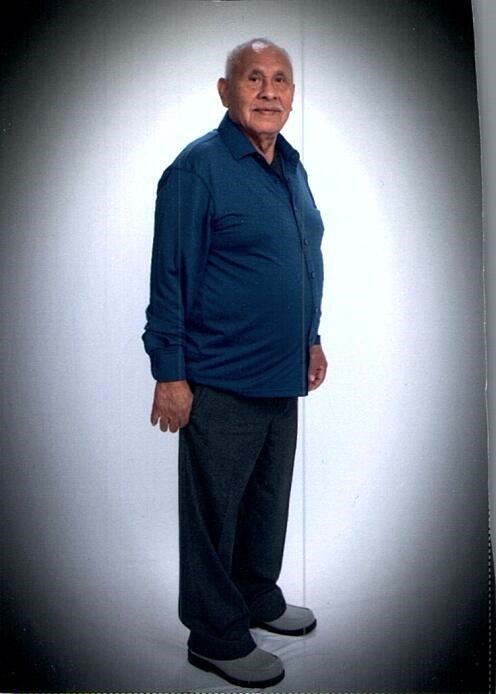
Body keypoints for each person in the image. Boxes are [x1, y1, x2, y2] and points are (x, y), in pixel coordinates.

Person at [142, 37, 327, 688]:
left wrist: (310, 337)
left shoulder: (291, 166)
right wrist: (170, 372)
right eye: (254, 78)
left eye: (280, 79)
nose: (269, 91)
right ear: (226, 91)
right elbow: (170, 274)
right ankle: (215, 635)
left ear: (292, 95)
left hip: (282, 372)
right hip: (219, 377)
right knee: (216, 514)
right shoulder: (199, 169)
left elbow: (303, 258)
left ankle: (255, 595)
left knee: (267, 502)